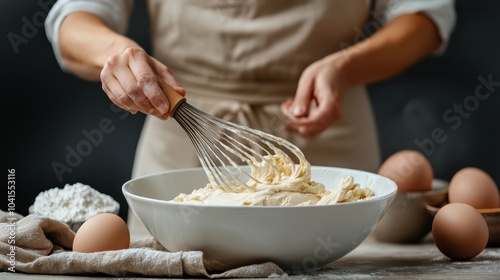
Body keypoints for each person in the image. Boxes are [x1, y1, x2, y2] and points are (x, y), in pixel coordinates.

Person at [45, 0, 456, 238]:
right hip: (182, 142)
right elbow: (73, 17)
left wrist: (346, 67)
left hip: (326, 139)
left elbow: (424, 16)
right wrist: (118, 54)